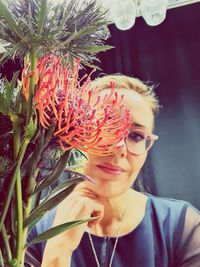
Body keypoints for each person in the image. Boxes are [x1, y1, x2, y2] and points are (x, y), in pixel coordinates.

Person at [25, 75, 200, 267]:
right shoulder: (31, 230)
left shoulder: (181, 225)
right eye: (105, 127)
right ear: (73, 135)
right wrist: (58, 250)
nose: (119, 148)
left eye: (136, 136)